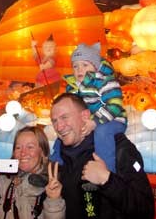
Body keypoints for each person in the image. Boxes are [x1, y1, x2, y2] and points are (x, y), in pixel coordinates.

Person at [50, 92, 155, 219]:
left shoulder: (117, 148)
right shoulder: (57, 161)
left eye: (64, 118)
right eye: (54, 121)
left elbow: (146, 212)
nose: (59, 126)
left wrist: (107, 180)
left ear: (85, 116)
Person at [52, 42, 125, 175]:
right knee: (64, 129)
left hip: (112, 119)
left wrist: (95, 122)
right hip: (88, 120)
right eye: (75, 66)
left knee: (102, 132)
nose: (79, 70)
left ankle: (106, 168)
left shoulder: (105, 81)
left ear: (95, 67)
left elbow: (115, 106)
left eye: (85, 65)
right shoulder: (73, 87)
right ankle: (57, 160)